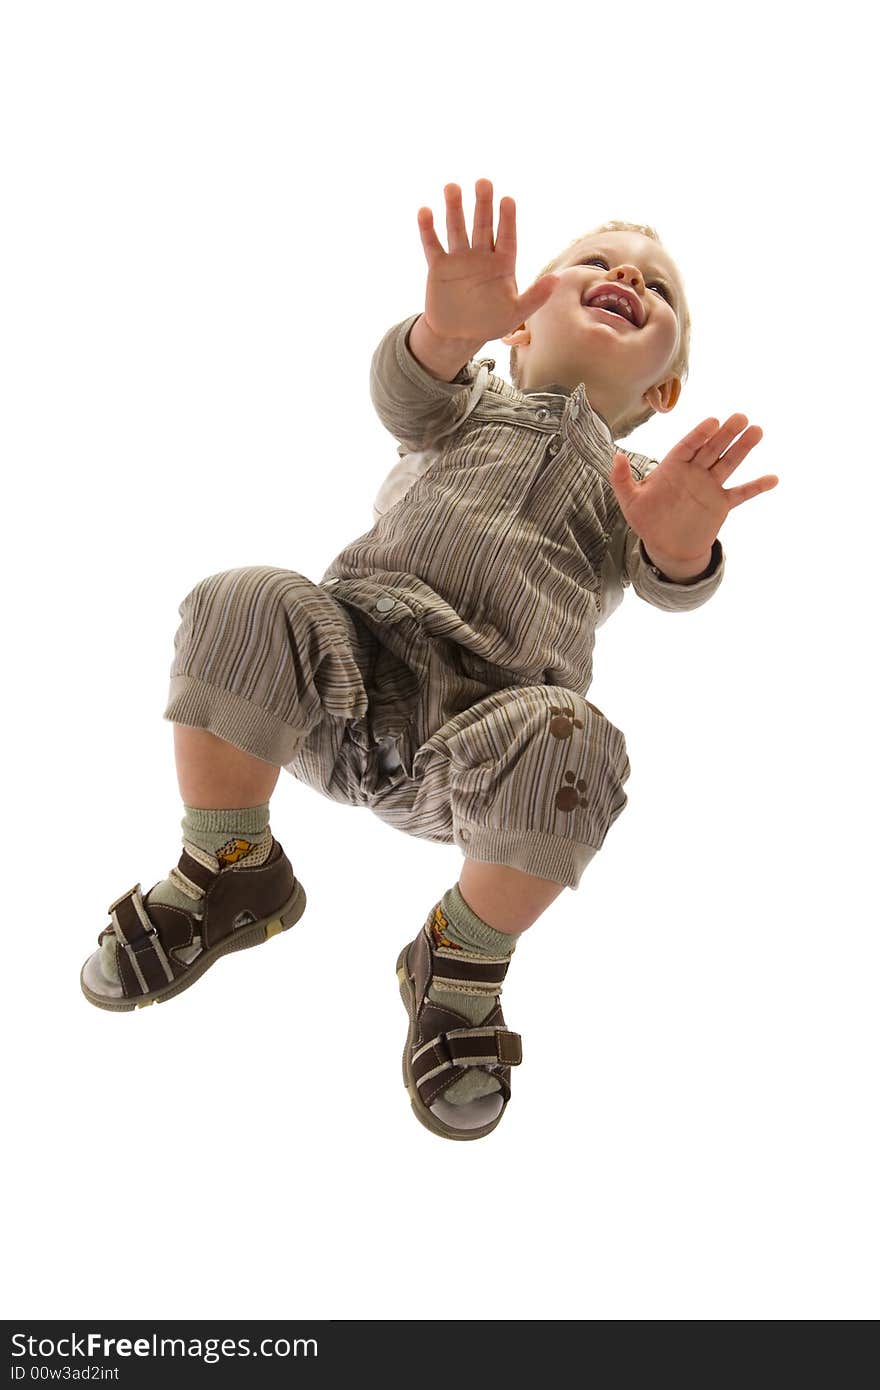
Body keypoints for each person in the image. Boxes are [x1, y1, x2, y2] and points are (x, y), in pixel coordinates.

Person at [79, 179, 778, 1142]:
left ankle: (459, 962)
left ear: (661, 393)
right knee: (243, 597)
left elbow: (672, 581)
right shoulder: (466, 404)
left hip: (486, 750)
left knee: (585, 747)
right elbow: (406, 390)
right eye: (598, 260)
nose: (626, 275)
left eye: (656, 286)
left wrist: (683, 540)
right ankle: (232, 862)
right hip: (341, 681)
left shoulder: (642, 486)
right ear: (519, 328)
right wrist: (444, 335)